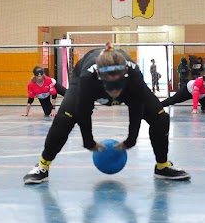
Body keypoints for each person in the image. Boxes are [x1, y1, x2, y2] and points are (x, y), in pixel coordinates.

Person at [22, 43, 191, 184]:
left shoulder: (134, 74)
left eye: (118, 86)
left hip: (126, 86)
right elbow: (83, 111)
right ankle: (43, 166)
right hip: (85, 79)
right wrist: (88, 142)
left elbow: (137, 106)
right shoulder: (87, 79)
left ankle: (162, 166)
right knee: (63, 120)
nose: (115, 93)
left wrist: (131, 139)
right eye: (111, 87)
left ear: (124, 75)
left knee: (160, 118)